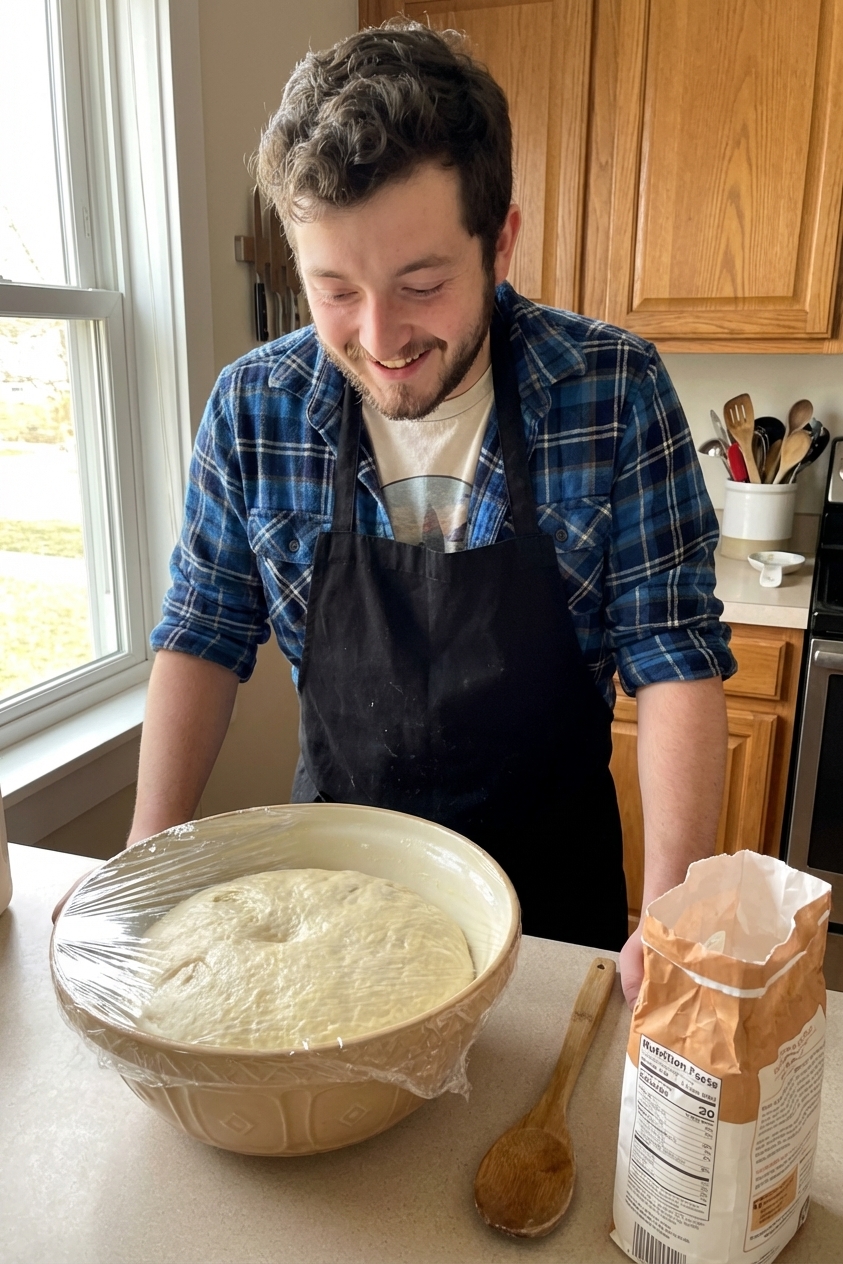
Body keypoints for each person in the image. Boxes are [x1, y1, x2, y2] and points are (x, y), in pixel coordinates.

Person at [131, 21, 734, 1007]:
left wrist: (670, 909)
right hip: (327, 908)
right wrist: (143, 863)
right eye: (333, 291)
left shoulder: (610, 388)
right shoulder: (254, 408)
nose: (380, 338)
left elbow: (673, 655)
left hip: (553, 918)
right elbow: (202, 631)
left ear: (499, 241)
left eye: (421, 284)